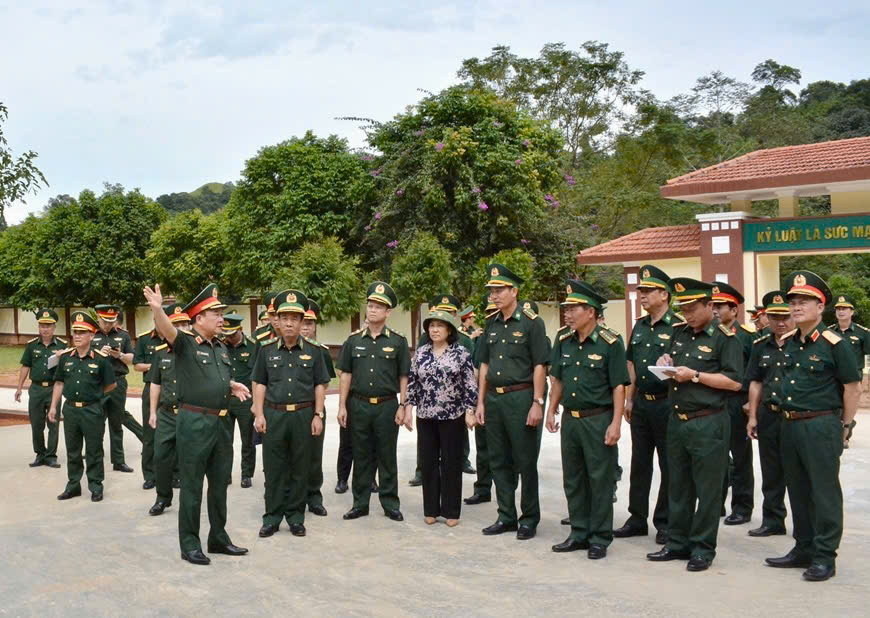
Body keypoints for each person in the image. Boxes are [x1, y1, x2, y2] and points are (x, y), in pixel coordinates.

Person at [142, 282, 251, 566]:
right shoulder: (187, 343)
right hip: (194, 422)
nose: (221, 318)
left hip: (221, 424)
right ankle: (189, 543)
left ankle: (218, 537)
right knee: (192, 486)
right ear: (199, 319)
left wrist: (231, 384)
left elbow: (211, 379)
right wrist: (157, 309)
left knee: (219, 485)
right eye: (215, 313)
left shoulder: (221, 348)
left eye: (221, 313)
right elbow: (168, 330)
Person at [765, 271, 860, 582]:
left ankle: (824, 555)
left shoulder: (835, 343)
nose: (796, 306)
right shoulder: (789, 342)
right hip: (789, 424)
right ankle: (803, 547)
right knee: (798, 490)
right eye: (793, 300)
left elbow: (851, 387)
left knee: (823, 492)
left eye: (804, 300)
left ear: (821, 307)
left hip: (821, 425)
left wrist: (845, 426)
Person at [646, 278, 742, 572]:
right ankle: (677, 543)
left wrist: (696, 376)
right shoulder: (679, 333)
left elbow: (735, 381)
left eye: (692, 308)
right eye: (683, 309)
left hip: (708, 422)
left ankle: (702, 547)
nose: (687, 315)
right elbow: (677, 366)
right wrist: (667, 363)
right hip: (678, 421)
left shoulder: (725, 339)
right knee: (679, 486)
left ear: (710, 306)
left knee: (708, 488)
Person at [547, 280, 628, 559]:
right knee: (574, 478)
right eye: (566, 309)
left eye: (573, 309)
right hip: (571, 419)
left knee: (600, 479)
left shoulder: (611, 343)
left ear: (591, 312)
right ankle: (578, 532)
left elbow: (619, 385)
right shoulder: (564, 340)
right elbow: (557, 378)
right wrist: (551, 409)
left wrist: (616, 423)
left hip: (598, 418)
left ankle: (600, 537)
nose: (567, 314)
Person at [475, 264, 549, 540]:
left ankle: (529, 518)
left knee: (525, 460)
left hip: (521, 397)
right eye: (492, 291)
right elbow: (484, 365)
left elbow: (540, 365)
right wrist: (480, 402)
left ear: (514, 291)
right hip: (494, 399)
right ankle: (506, 515)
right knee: (498, 460)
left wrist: (537, 401)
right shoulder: (490, 323)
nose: (494, 295)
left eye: (499, 290)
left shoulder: (532, 323)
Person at [253, 290, 329, 538]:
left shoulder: (315, 351)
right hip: (274, 416)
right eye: (284, 317)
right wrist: (259, 414)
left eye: (294, 319)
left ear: (301, 321)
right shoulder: (265, 350)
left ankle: (296, 517)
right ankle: (272, 517)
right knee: (274, 468)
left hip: (303, 416)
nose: (288, 323)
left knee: (300, 467)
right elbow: (260, 383)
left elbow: (320, 383)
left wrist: (318, 414)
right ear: (277, 320)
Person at [337, 281, 411, 522]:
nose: (372, 310)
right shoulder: (353, 340)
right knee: (361, 454)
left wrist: (403, 405)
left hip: (387, 405)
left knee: (387, 455)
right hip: (358, 404)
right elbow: (345, 374)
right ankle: (360, 503)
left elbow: (403, 376)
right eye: (370, 305)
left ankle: (390, 503)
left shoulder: (398, 342)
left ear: (388, 312)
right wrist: (341, 406)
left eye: (378, 307)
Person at [614, 265, 677, 546]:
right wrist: (630, 397)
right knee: (640, 463)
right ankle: (637, 517)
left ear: (664, 294)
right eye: (641, 290)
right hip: (641, 404)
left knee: (669, 464)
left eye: (648, 291)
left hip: (667, 403)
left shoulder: (677, 325)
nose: (642, 295)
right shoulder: (640, 325)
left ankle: (665, 521)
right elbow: (632, 364)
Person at [408, 310, 477, 526]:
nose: (434, 329)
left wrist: (470, 411)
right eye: (431, 326)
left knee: (451, 463)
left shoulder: (461, 353)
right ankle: (430, 509)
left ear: (449, 330)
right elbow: (412, 383)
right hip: (426, 416)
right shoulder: (420, 353)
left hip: (452, 416)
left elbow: (469, 384)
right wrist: (408, 408)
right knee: (428, 462)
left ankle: (451, 511)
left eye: (440, 326)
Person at [50, 311, 116, 501]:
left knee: (94, 450)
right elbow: (59, 383)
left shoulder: (100, 360)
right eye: (75, 331)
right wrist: (54, 407)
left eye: (82, 332)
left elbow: (111, 385)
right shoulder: (65, 358)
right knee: (72, 450)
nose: (77, 335)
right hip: (70, 410)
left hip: (92, 410)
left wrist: (95, 398)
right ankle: (73, 486)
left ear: (91, 335)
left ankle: (96, 486)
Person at [744, 290, 792, 538]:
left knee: (797, 473)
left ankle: (807, 526)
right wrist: (753, 416)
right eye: (774, 317)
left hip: (796, 418)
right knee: (771, 472)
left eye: (785, 316)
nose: (780, 322)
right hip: (769, 415)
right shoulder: (760, 345)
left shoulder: (802, 343)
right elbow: (755, 382)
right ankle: (773, 520)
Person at [711, 282, 756, 526]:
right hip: (714, 403)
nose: (715, 310)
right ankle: (715, 503)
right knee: (715, 457)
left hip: (738, 403)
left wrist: (751, 404)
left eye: (720, 306)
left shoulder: (748, 337)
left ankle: (742, 507)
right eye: (713, 305)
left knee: (740, 458)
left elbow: (755, 373)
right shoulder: (710, 335)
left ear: (734, 310)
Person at [146, 302, 189, 516]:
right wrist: (153, 412)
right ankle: (162, 498)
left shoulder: (195, 352)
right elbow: (155, 383)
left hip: (190, 414)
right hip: (166, 414)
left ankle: (191, 501)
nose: (182, 328)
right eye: (177, 324)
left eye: (185, 324)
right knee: (161, 457)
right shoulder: (160, 353)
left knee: (191, 460)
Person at [92, 304, 143, 473]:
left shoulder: (123, 336)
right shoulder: (91, 336)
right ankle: (95, 457)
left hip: (118, 382)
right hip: (98, 383)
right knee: (96, 422)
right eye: (104, 321)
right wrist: (98, 352)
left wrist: (119, 355)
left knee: (116, 421)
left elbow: (132, 359)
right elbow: (83, 357)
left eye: (110, 321)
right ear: (98, 319)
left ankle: (118, 461)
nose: (107, 325)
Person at [16, 309, 66, 469]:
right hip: (36, 389)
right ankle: (40, 454)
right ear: (39, 327)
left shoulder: (62, 346)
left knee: (53, 423)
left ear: (54, 327)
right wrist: (19, 388)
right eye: (42, 325)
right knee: (36, 424)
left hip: (53, 389)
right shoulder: (31, 346)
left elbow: (68, 368)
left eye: (49, 326)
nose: (45, 329)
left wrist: (61, 357)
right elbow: (26, 366)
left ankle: (51, 456)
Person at [300, 299, 336, 516]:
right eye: (303, 323)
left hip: (315, 409)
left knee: (314, 456)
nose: (306, 327)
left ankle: (314, 497)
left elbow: (324, 383)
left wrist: (319, 412)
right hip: (290, 410)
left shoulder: (320, 351)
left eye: (310, 324)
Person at [464, 297, 498, 507]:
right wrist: (474, 404)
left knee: (506, 451)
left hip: (508, 398)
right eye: (488, 314)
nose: (491, 317)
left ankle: (508, 495)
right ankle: (483, 488)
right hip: (484, 398)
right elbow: (474, 373)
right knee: (483, 447)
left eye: (494, 313)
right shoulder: (480, 340)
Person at [222, 313, 257, 488]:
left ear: (241, 330)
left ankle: (246, 474)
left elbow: (258, 376)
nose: (229, 337)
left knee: (248, 440)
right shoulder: (220, 346)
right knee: (224, 440)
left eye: (232, 334)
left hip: (246, 400)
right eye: (226, 334)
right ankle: (225, 473)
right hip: (225, 399)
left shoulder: (253, 346)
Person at [133, 318, 165, 489]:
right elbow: (136, 365)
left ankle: (175, 474)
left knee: (173, 434)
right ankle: (149, 475)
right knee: (149, 434)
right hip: (150, 387)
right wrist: (155, 366)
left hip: (170, 388)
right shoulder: (144, 339)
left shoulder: (173, 337)